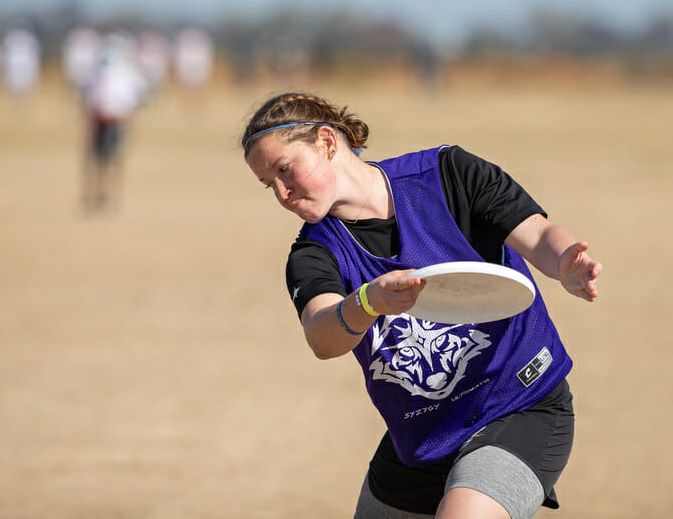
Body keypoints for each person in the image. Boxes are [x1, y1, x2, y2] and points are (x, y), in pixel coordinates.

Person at [241, 92, 602, 519]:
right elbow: (322, 334)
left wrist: (564, 262)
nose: (282, 193)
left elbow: (539, 236)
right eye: (270, 185)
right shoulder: (313, 254)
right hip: (421, 437)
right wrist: (367, 302)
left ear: (326, 141)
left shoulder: (448, 174)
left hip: (518, 405)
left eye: (285, 170)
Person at [80, 34, 148, 210]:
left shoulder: (126, 72)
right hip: (100, 120)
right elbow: (88, 98)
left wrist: (128, 122)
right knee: (98, 160)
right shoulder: (96, 71)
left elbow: (133, 100)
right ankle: (98, 194)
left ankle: (112, 195)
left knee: (114, 159)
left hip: (115, 121)